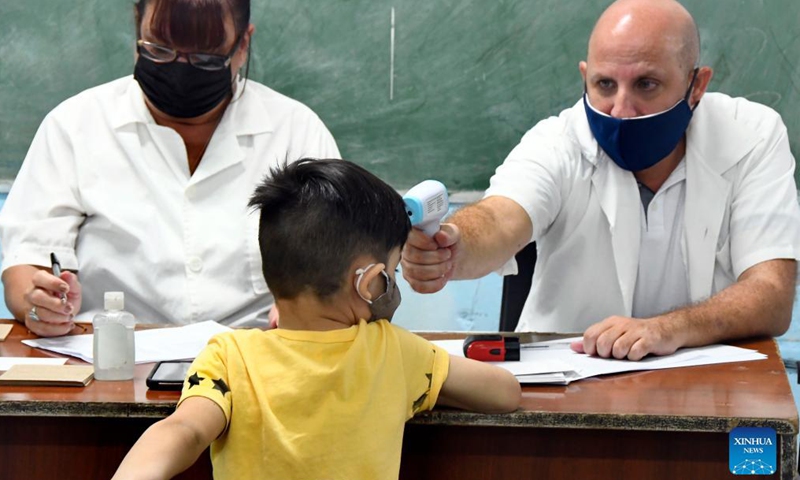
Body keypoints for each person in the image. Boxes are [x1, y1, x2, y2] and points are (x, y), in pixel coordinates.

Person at [402, 0, 800, 361]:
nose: (622, 110)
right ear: (585, 77)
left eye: (646, 84)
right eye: (604, 85)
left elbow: (772, 295)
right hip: (564, 391)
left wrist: (667, 329)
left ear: (697, 85)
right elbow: (500, 218)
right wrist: (451, 246)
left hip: (707, 389)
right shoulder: (558, 141)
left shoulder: (751, 137)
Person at [110, 159, 521, 480]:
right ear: (368, 282)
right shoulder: (391, 351)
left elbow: (185, 430)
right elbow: (504, 392)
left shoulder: (229, 357)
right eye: (391, 274)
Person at [0, 0, 339, 337]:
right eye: (159, 50)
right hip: (112, 359)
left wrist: (313, 305)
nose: (180, 70)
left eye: (204, 58)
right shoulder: (74, 126)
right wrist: (40, 302)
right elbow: (26, 263)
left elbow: (340, 258)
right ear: (137, 26)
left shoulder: (296, 132)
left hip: (257, 360)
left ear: (243, 44)